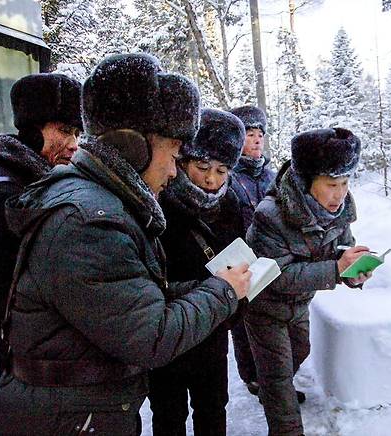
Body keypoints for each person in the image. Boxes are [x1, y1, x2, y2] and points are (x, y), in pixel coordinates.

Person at [0, 53, 250, 435]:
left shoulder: (98, 205)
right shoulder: (92, 222)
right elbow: (151, 336)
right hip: (71, 419)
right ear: (135, 147)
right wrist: (222, 292)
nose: (173, 171)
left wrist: (202, 287)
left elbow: (130, 294)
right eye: (174, 155)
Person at [245, 127, 372, 436]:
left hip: (300, 304)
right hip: (264, 306)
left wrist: (355, 273)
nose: (339, 193)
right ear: (305, 182)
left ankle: (271, 389)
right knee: (278, 381)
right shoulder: (270, 215)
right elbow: (278, 277)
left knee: (296, 356)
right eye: (331, 184)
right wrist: (335, 269)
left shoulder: (339, 212)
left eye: (344, 183)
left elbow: (341, 251)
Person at [149, 108, 246, 436]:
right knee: (168, 412)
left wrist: (237, 298)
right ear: (182, 160)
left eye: (221, 170)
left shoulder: (230, 203)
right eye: (203, 167)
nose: (211, 179)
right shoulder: (157, 203)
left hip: (212, 331)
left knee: (213, 406)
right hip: (169, 331)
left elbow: (240, 255)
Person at [0, 73, 82, 376]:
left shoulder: (44, 180)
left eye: (78, 134)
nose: (74, 145)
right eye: (65, 131)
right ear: (33, 130)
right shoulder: (5, 190)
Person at [228, 105, 275, 395]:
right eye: (250, 134)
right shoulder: (228, 175)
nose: (257, 140)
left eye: (260, 134)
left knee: (271, 324)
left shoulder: (271, 176)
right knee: (244, 325)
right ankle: (253, 377)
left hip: (272, 259)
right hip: (241, 260)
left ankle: (275, 379)